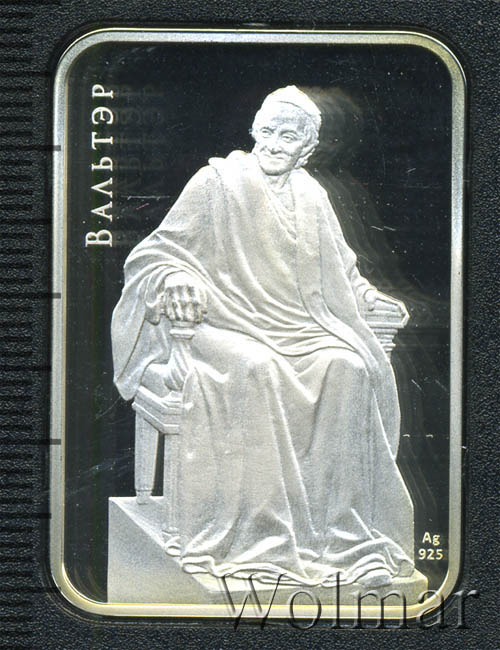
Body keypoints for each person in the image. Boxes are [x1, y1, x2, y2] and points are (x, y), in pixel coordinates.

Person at [111, 86, 414, 588]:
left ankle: (335, 533)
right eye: (268, 131)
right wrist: (174, 277)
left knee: (349, 367)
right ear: (254, 130)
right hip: (217, 324)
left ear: (306, 148)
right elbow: (155, 254)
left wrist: (368, 298)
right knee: (259, 367)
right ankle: (260, 535)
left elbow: (341, 270)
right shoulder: (215, 183)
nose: (274, 143)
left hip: (297, 326)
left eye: (288, 136)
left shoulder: (312, 196)